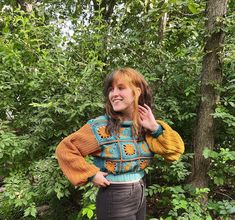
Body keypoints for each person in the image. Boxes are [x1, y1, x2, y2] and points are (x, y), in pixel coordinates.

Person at [56, 67, 184, 220]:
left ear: (137, 91)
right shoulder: (101, 127)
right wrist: (91, 174)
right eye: (111, 90)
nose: (114, 94)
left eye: (121, 88)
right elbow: (65, 149)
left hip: (140, 190)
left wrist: (155, 128)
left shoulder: (145, 125)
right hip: (114, 196)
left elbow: (175, 152)